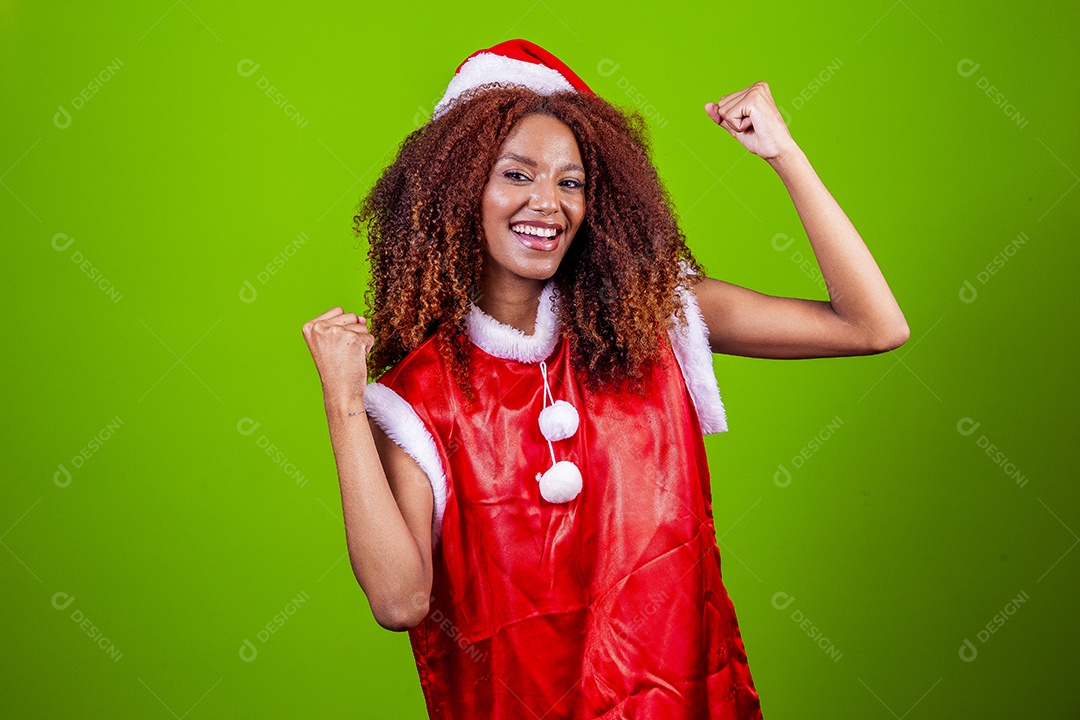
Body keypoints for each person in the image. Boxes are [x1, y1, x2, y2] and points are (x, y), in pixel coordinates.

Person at [302, 39, 907, 719]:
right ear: (459, 189)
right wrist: (344, 401)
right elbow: (399, 601)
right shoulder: (421, 399)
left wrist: (783, 155)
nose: (548, 204)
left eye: (571, 182)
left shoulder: (657, 320)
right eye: (517, 175)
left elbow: (871, 326)